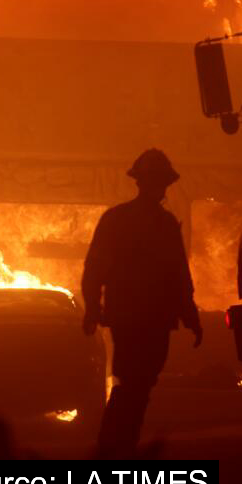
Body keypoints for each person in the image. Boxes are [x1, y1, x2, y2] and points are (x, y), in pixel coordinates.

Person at [81, 148, 202, 457]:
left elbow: (95, 269)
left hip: (129, 318)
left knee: (135, 382)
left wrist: (93, 308)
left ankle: (117, 446)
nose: (160, 189)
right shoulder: (163, 224)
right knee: (137, 383)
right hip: (151, 319)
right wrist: (190, 315)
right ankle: (115, 447)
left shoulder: (117, 219)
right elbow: (178, 275)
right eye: (159, 183)